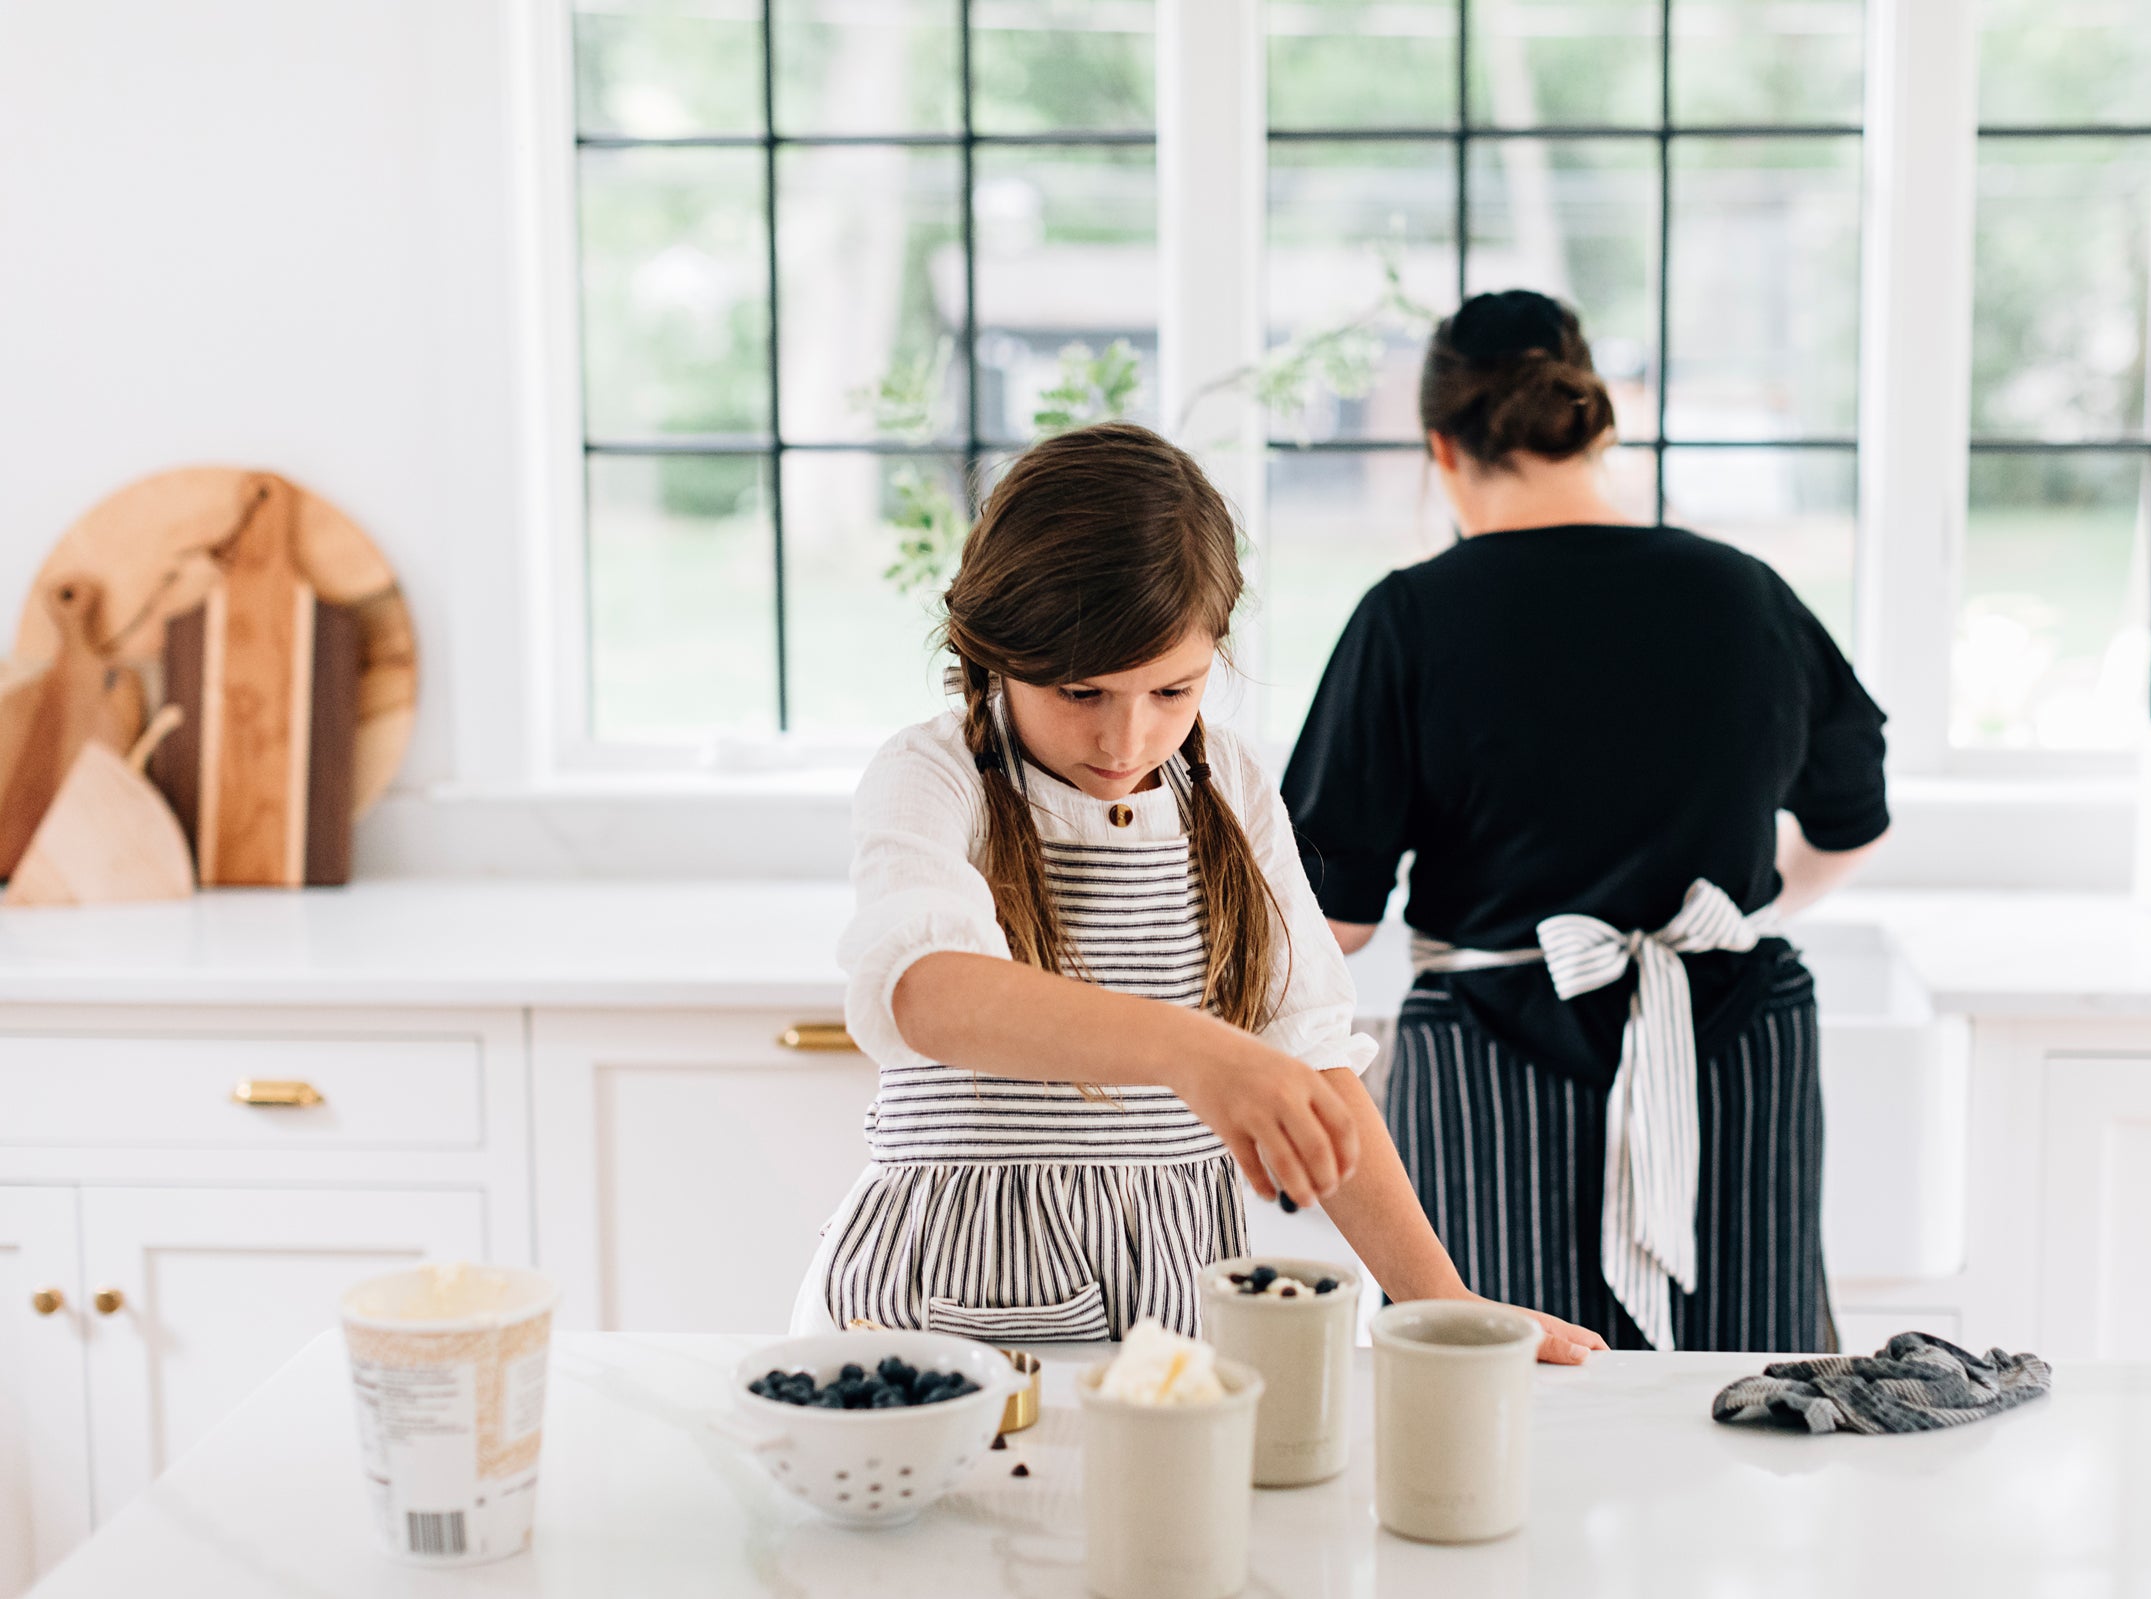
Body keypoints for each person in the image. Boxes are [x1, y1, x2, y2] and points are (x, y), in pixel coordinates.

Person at [791, 421, 1604, 1364]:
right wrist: (1199, 1053)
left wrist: (1444, 1304)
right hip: (937, 1306)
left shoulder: (1235, 788)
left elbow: (1313, 1061)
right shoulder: (935, 777)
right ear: (992, 646)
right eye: (1081, 693)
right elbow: (927, 992)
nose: (1127, 741)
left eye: (1172, 692)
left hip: (1175, 1295)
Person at [1282, 291, 1891, 1353]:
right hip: (1731, 1049)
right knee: (1745, 1407)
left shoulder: (1409, 617)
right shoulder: (1745, 594)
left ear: (1441, 446)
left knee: (1498, 1413)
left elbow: (1332, 923)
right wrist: (1738, 905)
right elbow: (1852, 819)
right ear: (1596, 426)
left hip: (1491, 1061)